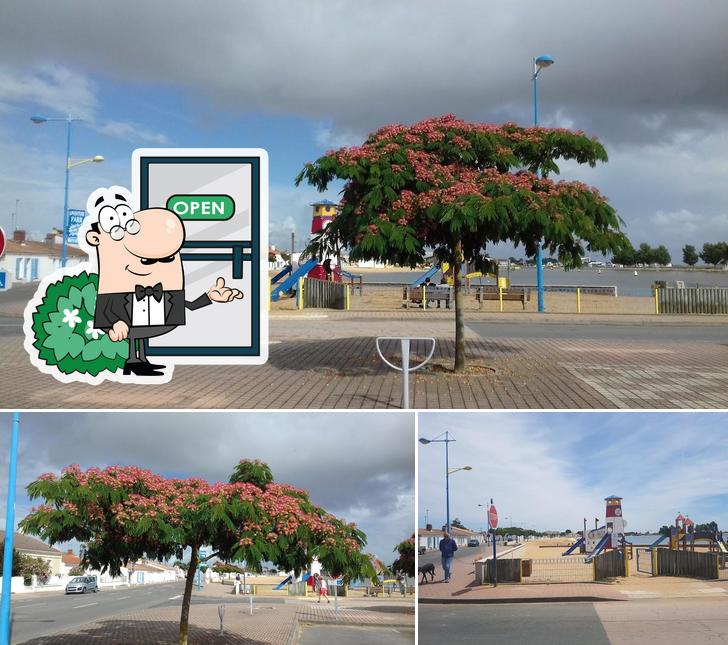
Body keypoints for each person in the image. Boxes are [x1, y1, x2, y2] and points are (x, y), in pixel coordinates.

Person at [85, 186, 243, 377]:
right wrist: (113, 325)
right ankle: (132, 362)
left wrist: (209, 297)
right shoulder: (114, 292)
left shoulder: (166, 293)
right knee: (135, 334)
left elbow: (189, 306)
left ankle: (140, 361)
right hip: (127, 322)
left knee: (140, 336)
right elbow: (105, 311)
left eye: (168, 259)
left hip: (150, 318)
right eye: (146, 260)